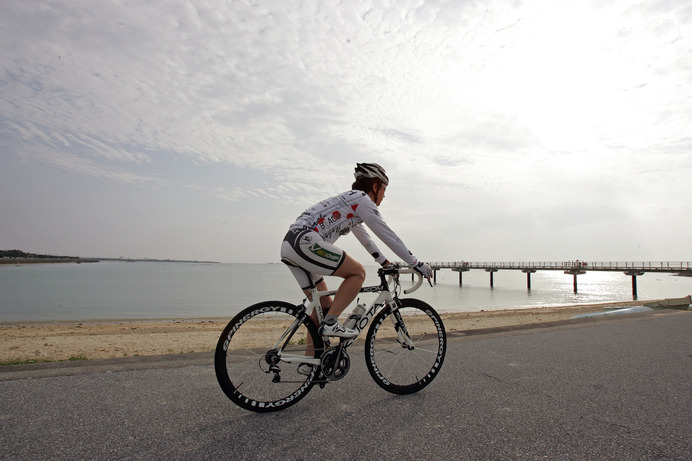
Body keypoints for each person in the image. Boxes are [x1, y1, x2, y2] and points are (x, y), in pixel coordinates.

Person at [280, 163, 433, 341]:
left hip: (291, 244)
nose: (384, 195)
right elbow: (388, 235)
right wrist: (416, 264)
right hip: (305, 242)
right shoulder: (362, 201)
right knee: (358, 272)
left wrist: (384, 262)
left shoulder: (349, 202)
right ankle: (331, 324)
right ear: (375, 186)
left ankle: (309, 364)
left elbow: (366, 239)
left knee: (323, 307)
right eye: (384, 189)